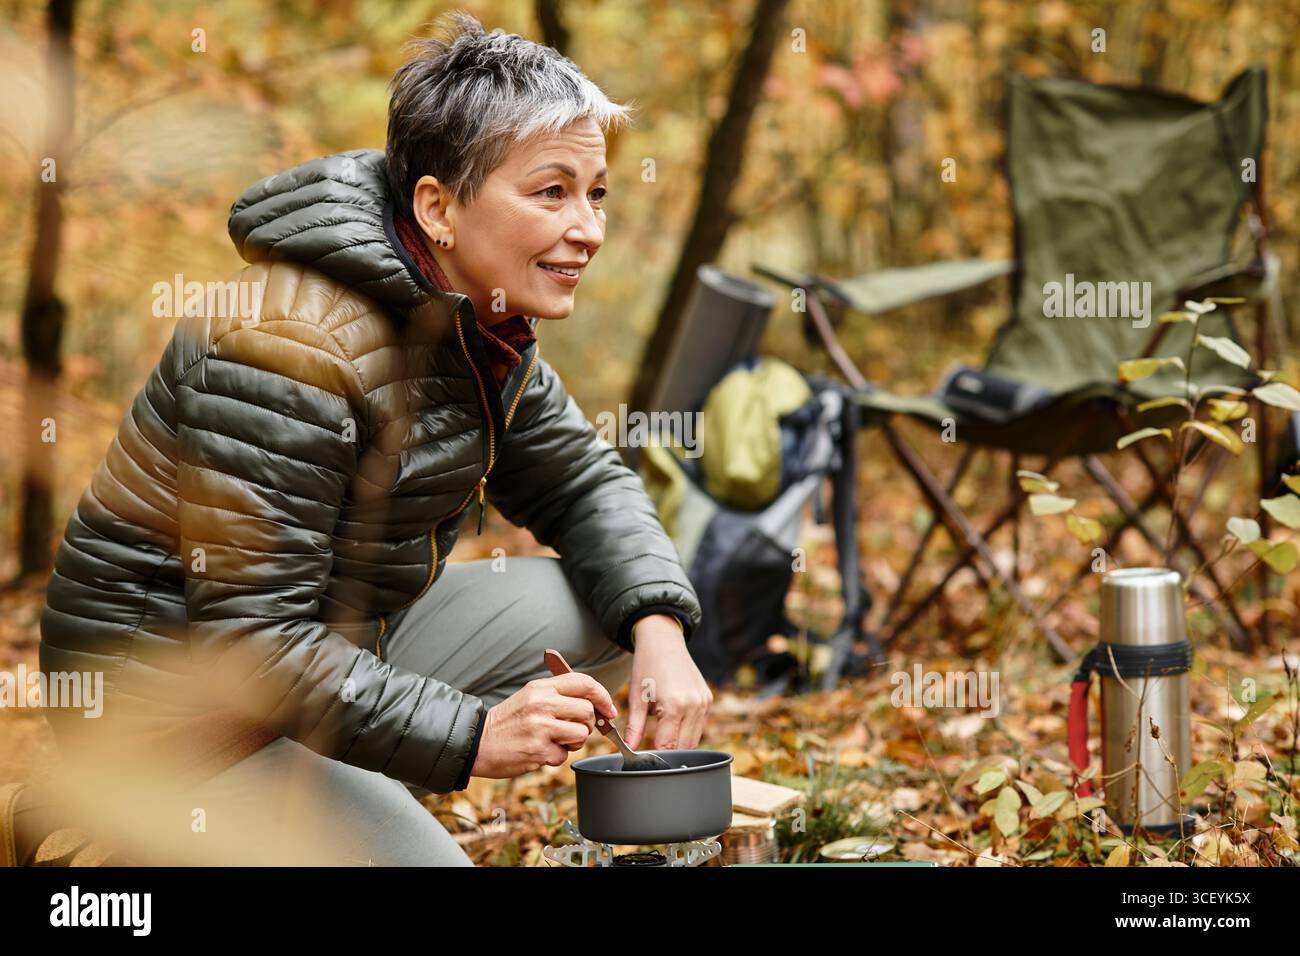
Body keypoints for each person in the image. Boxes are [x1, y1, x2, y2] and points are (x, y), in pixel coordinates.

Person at [27, 11, 711, 866]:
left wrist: (660, 626)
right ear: (438, 207)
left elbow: (580, 482)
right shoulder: (288, 346)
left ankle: (332, 792)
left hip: (327, 653)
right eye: (551, 192)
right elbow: (253, 641)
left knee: (603, 610)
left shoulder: (473, 321)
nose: (589, 229)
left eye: (596, 192)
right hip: (175, 718)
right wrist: (470, 736)